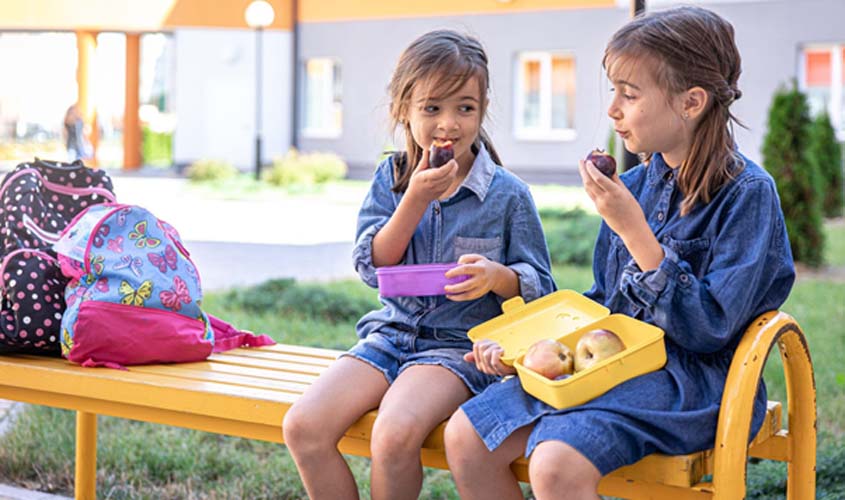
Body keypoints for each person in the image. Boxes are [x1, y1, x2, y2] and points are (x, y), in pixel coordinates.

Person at [444, 6, 796, 499]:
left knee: (556, 463)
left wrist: (636, 233)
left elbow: (709, 329)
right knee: (467, 436)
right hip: (613, 360)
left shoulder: (747, 195)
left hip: (693, 381)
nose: (612, 109)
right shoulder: (631, 186)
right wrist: (527, 351)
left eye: (629, 95)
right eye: (614, 92)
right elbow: (603, 304)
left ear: (691, 102)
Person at [282, 29, 555, 500]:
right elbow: (373, 267)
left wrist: (497, 277)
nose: (448, 123)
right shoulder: (391, 179)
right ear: (403, 109)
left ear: (483, 108)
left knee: (392, 434)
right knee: (303, 426)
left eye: (464, 108)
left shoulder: (508, 195)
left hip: (456, 349)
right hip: (390, 335)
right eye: (432, 108)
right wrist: (415, 197)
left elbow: (541, 288)